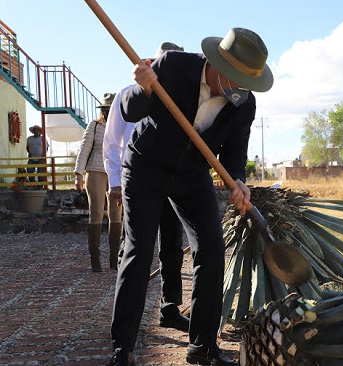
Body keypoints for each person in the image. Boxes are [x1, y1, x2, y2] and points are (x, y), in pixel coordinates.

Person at [108, 27, 273, 366]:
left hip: (192, 175)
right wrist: (143, 87)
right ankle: (122, 348)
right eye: (235, 78)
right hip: (146, 166)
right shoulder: (172, 66)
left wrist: (238, 182)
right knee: (139, 251)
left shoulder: (244, 104)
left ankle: (203, 346)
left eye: (246, 82)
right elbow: (128, 110)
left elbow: (234, 155)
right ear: (217, 65)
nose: (239, 87)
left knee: (211, 247)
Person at [103, 41, 190, 332]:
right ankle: (126, 315)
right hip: (136, 180)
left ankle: (169, 308)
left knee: (172, 247)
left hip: (169, 178)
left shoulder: (177, 96)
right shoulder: (127, 95)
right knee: (134, 250)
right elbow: (111, 143)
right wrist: (115, 183)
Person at [74, 93, 123, 273]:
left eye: (112, 108)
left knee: (116, 215)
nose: (109, 111)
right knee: (95, 213)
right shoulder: (94, 126)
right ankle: (95, 260)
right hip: (95, 171)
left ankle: (114, 259)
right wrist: (78, 173)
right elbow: (84, 148)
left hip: (116, 173)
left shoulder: (121, 125)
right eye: (107, 109)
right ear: (103, 110)